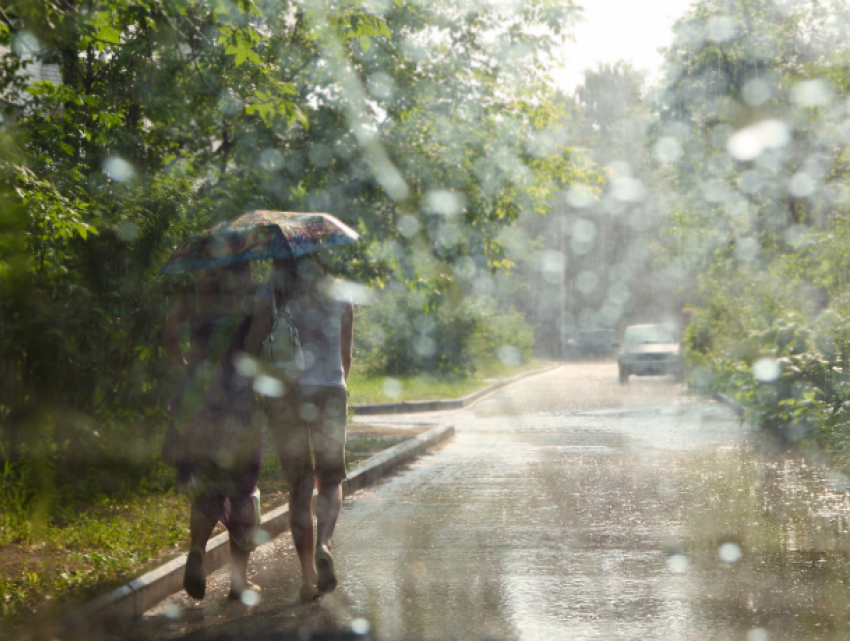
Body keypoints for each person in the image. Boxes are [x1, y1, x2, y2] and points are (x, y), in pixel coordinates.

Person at [162, 263, 273, 601]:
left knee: (208, 482)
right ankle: (239, 582)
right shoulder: (255, 295)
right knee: (242, 488)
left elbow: (168, 338)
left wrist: (188, 370)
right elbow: (253, 346)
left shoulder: (194, 291)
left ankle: (197, 549)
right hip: (238, 402)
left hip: (197, 401)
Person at [258, 254, 354, 603]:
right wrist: (337, 386)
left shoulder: (274, 293)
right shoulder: (341, 292)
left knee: (299, 485)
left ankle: (307, 577)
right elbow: (346, 357)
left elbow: (260, 345)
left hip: (288, 395)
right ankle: (324, 545)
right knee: (329, 480)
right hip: (330, 389)